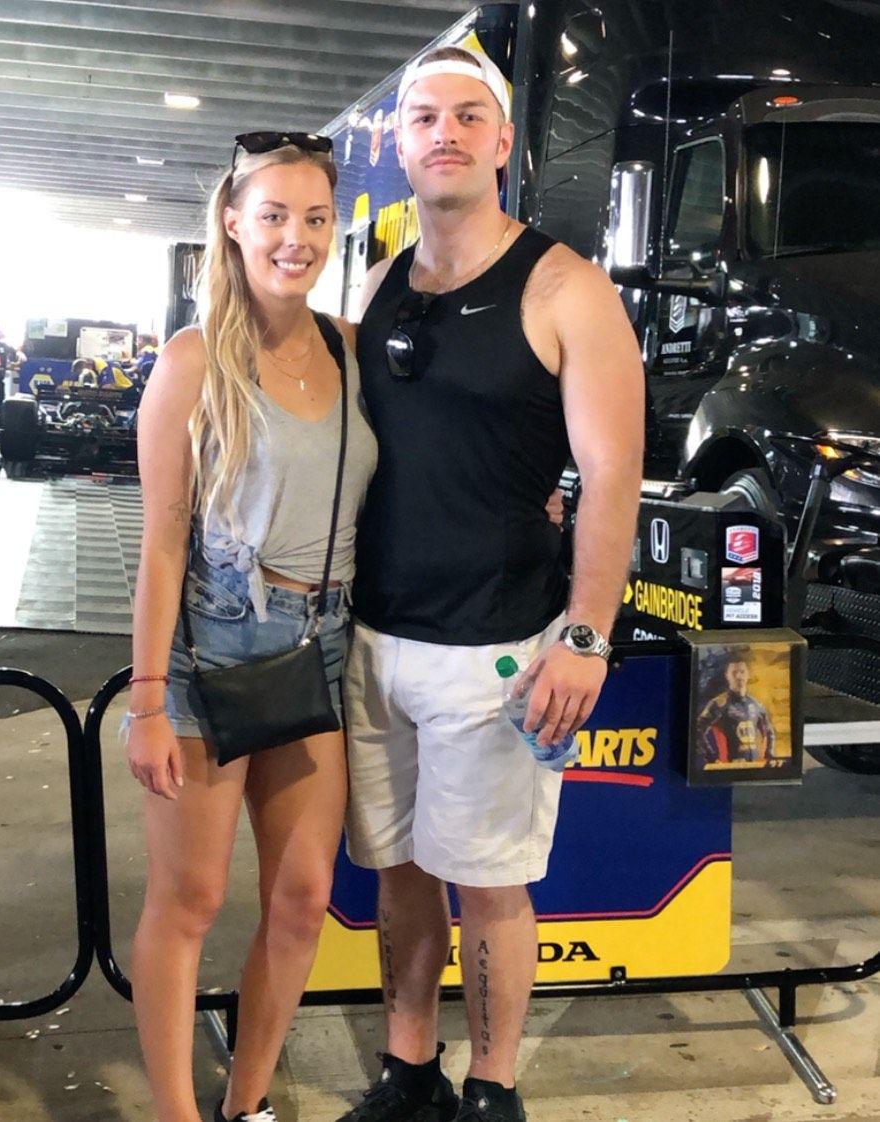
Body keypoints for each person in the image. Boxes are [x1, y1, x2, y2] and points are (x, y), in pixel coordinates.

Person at [339, 46, 644, 1122]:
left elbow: (613, 472)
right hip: (376, 635)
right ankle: (408, 1070)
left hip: (498, 644)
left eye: (470, 116)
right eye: (425, 117)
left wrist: (588, 633)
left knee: (489, 881)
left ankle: (493, 1087)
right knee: (400, 871)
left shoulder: (566, 288)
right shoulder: (378, 284)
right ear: (398, 142)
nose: (446, 134)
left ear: (504, 142)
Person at [124, 131, 377, 1122]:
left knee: (303, 897)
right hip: (212, 644)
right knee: (189, 902)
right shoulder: (194, 362)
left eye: (315, 218)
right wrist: (148, 701)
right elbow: (161, 544)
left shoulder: (351, 349)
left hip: (323, 640)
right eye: (273, 216)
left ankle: (247, 1102)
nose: (294, 238)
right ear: (232, 224)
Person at [696, 654, 775, 764]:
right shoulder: (718, 704)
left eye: (742, 672)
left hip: (755, 766)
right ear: (727, 675)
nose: (739, 676)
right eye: (734, 672)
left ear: (748, 674)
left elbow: (770, 732)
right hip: (728, 767)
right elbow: (697, 730)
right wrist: (712, 758)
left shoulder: (757, 705)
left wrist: (769, 756)